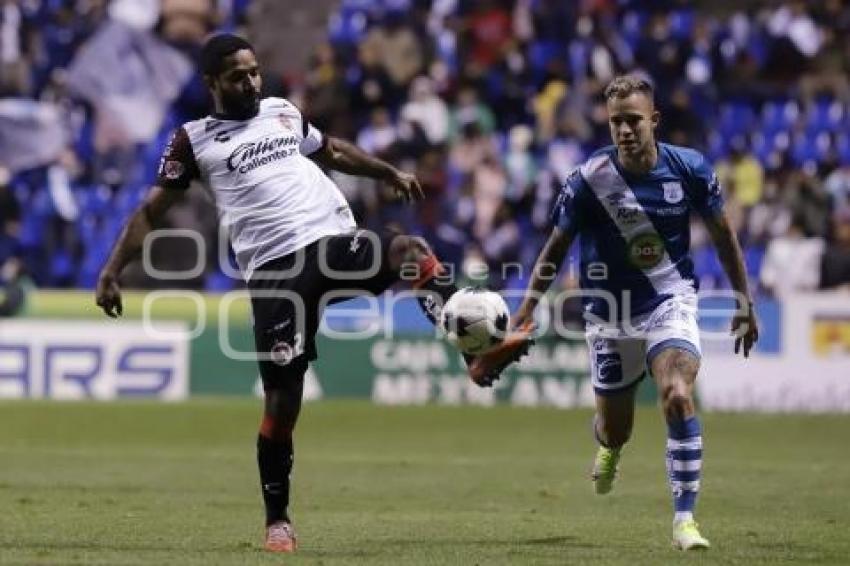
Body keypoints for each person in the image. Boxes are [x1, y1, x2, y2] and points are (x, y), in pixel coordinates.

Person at [93, 34, 528, 553]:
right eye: (238, 75)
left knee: (407, 250)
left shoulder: (281, 110)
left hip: (330, 243)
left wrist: (386, 170)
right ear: (212, 83)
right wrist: (112, 269)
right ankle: (277, 520)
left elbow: (332, 150)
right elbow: (149, 212)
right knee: (283, 403)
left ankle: (474, 354)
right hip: (275, 273)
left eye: (255, 71)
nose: (252, 82)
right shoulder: (193, 140)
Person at [507, 76, 759, 550]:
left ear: (654, 121)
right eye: (616, 122)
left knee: (677, 395)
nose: (624, 130)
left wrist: (745, 300)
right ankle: (608, 445)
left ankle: (684, 520)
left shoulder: (690, 169)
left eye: (633, 120)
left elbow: (725, 236)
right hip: (608, 313)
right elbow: (554, 248)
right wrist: (526, 309)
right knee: (615, 427)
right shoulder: (588, 180)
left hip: (671, 299)